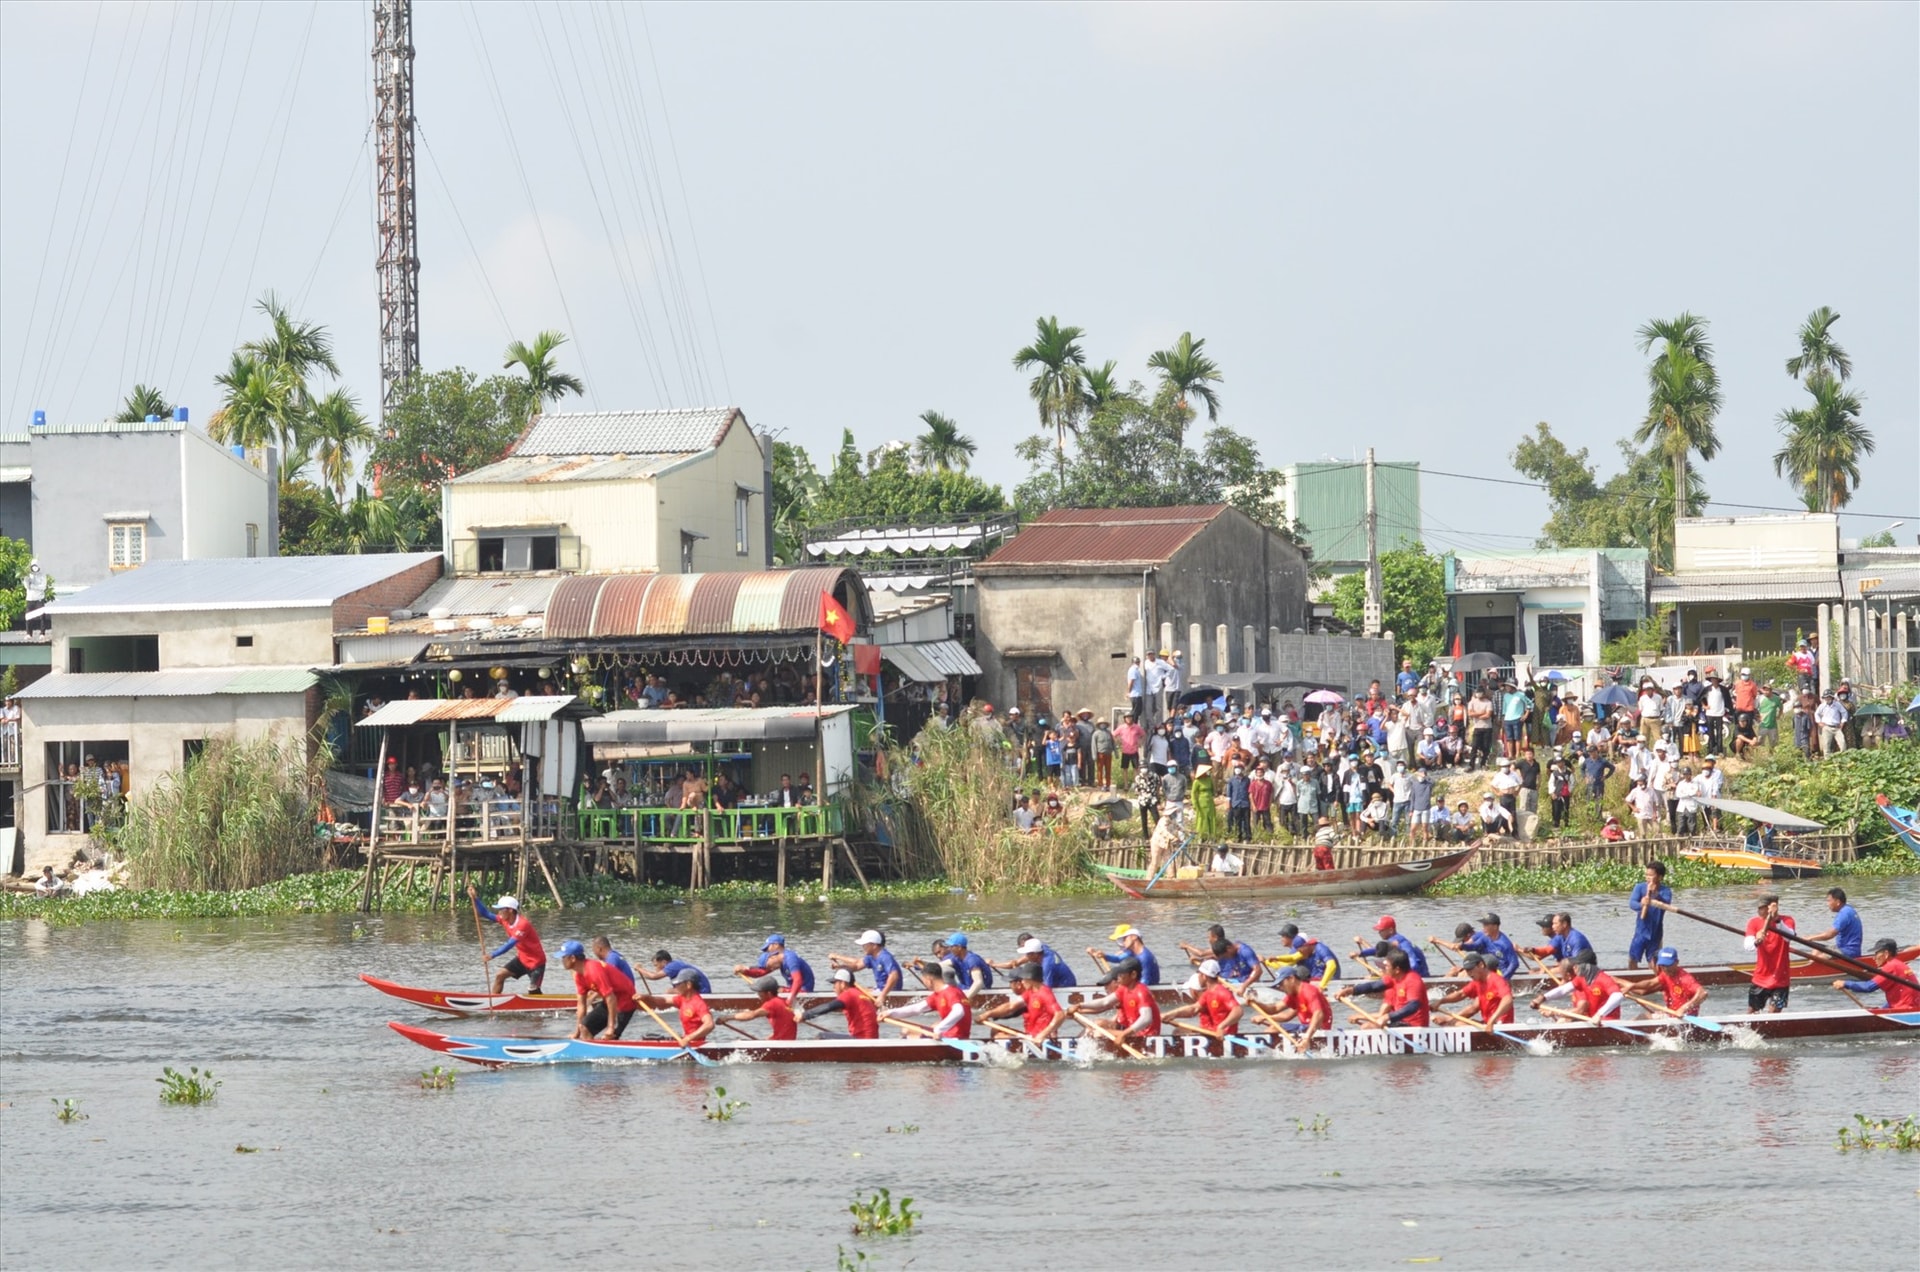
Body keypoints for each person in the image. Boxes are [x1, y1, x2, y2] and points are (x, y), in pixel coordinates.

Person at [469, 887, 546, 994]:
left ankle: (541, 1007)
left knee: (533, 989)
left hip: (536, 963)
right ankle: (494, 1001)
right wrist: (475, 898)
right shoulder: (504, 919)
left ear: (510, 910)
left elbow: (510, 944)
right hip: (522, 959)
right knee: (500, 975)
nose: (499, 912)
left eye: (501, 909)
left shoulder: (522, 925)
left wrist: (492, 955)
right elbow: (485, 913)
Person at [557, 939, 637, 1041]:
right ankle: (588, 1053)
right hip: (611, 1001)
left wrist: (610, 1027)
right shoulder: (578, 975)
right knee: (584, 1028)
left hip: (625, 1000)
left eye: (563, 957)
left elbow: (611, 998)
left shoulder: (593, 970)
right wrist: (576, 1034)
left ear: (572, 958)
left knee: (608, 1037)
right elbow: (581, 1005)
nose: (562, 961)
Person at [1336, 948, 1430, 1028]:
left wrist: (1387, 1017)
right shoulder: (1393, 978)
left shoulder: (1413, 980)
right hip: (1398, 1021)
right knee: (1367, 1026)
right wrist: (1351, 990)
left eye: (1387, 966)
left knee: (1367, 1027)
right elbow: (1374, 986)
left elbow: (1413, 1006)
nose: (1385, 969)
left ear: (1397, 969)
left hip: (1413, 1025)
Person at [976, 962, 1067, 1043]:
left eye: (1023, 979)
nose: (1022, 982)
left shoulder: (1044, 993)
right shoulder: (1030, 992)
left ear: (1031, 979)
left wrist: (1042, 1035)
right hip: (1030, 1036)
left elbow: (1060, 1015)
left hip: (1043, 1039)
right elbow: (1011, 1007)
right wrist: (987, 1014)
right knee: (995, 1030)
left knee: (1000, 1037)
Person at [1080, 956, 1161, 1046]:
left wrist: (1124, 1034)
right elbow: (1105, 1002)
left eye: (1121, 974)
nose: (1118, 978)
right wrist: (1079, 1006)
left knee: (1098, 1033)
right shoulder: (1123, 989)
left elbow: (1146, 1018)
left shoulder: (1142, 992)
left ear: (1133, 975)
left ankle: (1101, 1055)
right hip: (1131, 1031)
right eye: (1118, 975)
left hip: (1146, 1037)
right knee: (1097, 1025)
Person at [880, 961, 972, 1039]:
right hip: (943, 1034)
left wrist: (939, 1029)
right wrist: (889, 1013)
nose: (924, 983)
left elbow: (959, 1011)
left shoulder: (951, 992)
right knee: (906, 1029)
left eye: (923, 980)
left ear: (929, 980)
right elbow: (916, 1009)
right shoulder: (937, 995)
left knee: (907, 1031)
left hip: (954, 1037)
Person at [1832, 938, 1920, 1013]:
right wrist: (1882, 1009)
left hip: (1907, 1009)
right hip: (1912, 1007)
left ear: (1886, 954)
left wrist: (1845, 983)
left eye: (1876, 953)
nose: (1874, 958)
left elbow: (1868, 987)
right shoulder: (1899, 964)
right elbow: (1897, 996)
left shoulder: (1891, 966)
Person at [1742, 894, 1796, 1014]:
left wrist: (1776, 920)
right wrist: (1757, 941)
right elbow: (1748, 946)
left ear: (1770, 908)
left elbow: (1789, 937)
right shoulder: (1754, 923)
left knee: (1773, 1014)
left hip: (1781, 978)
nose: (1758, 911)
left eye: (1761, 908)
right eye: (1758, 908)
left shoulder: (1787, 921)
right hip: (1761, 977)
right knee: (1751, 1012)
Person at [1622, 948, 1709, 1020]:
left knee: (1642, 1017)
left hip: (1685, 1018)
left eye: (1668, 965)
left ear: (1677, 962)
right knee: (1642, 1016)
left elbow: (1703, 993)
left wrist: (1683, 1009)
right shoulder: (1665, 975)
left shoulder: (1685, 979)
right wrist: (1632, 986)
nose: (1666, 969)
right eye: (1663, 965)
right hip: (1671, 1014)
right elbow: (1650, 983)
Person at [1433, 953, 1515, 1029]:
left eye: (1471, 969)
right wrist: (1440, 1001)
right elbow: (1461, 994)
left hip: (1500, 1025)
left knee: (1455, 1024)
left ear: (1481, 965)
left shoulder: (1497, 980)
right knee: (1449, 1022)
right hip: (1488, 1024)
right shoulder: (1477, 982)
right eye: (1467, 970)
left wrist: (1493, 1019)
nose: (1469, 974)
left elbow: (1508, 999)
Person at [1163, 960, 1244, 1037]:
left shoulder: (1221, 992)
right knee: (1178, 1031)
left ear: (1204, 976)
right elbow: (1194, 1009)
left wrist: (1222, 1027)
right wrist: (1170, 1015)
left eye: (1199, 974)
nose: (1198, 976)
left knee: (1178, 1033)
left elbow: (1238, 1011)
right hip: (1210, 1033)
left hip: (1221, 1035)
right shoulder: (1208, 994)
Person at [1533, 955, 1625, 1022]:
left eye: (1577, 965)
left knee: (1563, 1021)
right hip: (1591, 1021)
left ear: (1588, 966)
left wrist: (1599, 1014)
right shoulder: (1581, 979)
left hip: (1606, 1022)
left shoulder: (1604, 979)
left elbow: (1618, 996)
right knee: (1563, 1020)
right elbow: (1563, 990)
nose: (1574, 967)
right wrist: (1542, 998)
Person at [1262, 966, 1333, 1050]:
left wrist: (1307, 1037)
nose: (1281, 988)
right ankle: (1279, 1050)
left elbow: (1318, 1014)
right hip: (1305, 1026)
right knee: (1270, 1030)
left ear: (1291, 978)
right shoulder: (1293, 994)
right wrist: (1256, 1003)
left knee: (1272, 1029)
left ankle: (1278, 1050)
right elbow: (1275, 1009)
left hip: (1319, 1028)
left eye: (1281, 984)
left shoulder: (1309, 991)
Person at [1432, 912, 1520, 979]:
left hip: (1499, 972)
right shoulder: (1486, 937)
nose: (1483, 927)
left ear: (1495, 927)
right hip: (1486, 968)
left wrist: (1504, 979)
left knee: (1465, 974)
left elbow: (1514, 963)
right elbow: (1474, 946)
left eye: (1486, 925)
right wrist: (1462, 946)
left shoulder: (1505, 943)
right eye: (1483, 925)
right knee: (1455, 970)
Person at [800, 968, 882, 1038]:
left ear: (843, 984)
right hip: (870, 1038)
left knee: (821, 1037)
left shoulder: (849, 994)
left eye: (835, 983)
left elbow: (830, 1007)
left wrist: (805, 1015)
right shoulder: (859, 994)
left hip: (862, 1040)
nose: (833, 988)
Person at [831, 929, 905, 1003]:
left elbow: (894, 976)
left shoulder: (885, 957)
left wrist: (882, 995)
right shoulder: (871, 957)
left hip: (891, 992)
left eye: (865, 944)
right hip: (880, 989)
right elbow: (856, 966)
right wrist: (840, 967)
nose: (863, 947)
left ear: (874, 945)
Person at [1626, 862, 1672, 969]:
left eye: (1651, 875)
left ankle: (1655, 981)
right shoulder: (1639, 887)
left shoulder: (1665, 891)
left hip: (1656, 933)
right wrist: (1643, 904)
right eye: (1647, 875)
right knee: (1632, 959)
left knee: (1653, 961)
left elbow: (1666, 904)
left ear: (1660, 877)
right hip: (1641, 931)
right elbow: (1632, 903)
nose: (1648, 878)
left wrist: (1654, 893)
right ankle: (1633, 979)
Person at [735, 933, 815, 994]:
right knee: (771, 988)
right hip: (794, 990)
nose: (767, 951)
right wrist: (744, 971)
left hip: (804, 991)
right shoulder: (779, 959)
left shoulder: (790, 958)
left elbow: (798, 980)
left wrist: (789, 1000)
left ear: (776, 945)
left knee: (774, 989)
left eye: (768, 947)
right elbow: (760, 973)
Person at [728, 975, 802, 1040]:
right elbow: (784, 1027)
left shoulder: (771, 1004)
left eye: (760, 992)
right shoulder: (782, 1001)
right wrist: (770, 1038)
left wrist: (728, 1018)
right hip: (788, 1040)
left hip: (782, 1044)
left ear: (769, 993)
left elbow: (751, 1015)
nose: (758, 995)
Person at [1355, 914, 1430, 976]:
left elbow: (1414, 965)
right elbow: (1378, 950)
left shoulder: (1403, 943)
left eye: (1381, 930)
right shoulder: (1390, 942)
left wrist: (1399, 976)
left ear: (1391, 930)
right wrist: (1360, 954)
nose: (1379, 933)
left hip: (1420, 977)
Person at [661, 966, 718, 1045]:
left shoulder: (699, 1004)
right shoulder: (682, 999)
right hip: (688, 1041)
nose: (675, 987)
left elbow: (709, 1024)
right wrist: (646, 998)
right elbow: (664, 1001)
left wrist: (688, 1038)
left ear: (688, 985)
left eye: (678, 984)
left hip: (696, 1044)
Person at [1273, 923, 1341, 988]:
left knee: (1299, 970)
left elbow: (1332, 966)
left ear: (1306, 946)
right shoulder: (1305, 951)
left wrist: (1322, 986)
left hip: (1330, 980)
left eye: (1300, 951)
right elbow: (1292, 958)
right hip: (1316, 979)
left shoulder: (1321, 949)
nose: (1300, 953)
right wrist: (1275, 958)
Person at [1088, 923, 1162, 983]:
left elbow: (1145, 981)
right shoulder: (1132, 953)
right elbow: (1118, 959)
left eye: (1125, 939)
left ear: (1134, 937)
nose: (1123, 942)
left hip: (1151, 989)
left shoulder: (1145, 957)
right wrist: (1104, 956)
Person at [1801, 888, 1863, 958]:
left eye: (1829, 901)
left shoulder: (1844, 913)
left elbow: (1830, 934)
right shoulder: (1848, 909)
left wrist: (1810, 938)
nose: (1828, 904)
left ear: (1838, 902)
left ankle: (1810, 968)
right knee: (1816, 950)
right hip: (1843, 948)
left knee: (1820, 957)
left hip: (1849, 951)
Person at [942, 932, 995, 998]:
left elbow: (978, 982)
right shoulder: (956, 958)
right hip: (965, 988)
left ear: (959, 947)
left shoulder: (972, 960)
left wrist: (965, 999)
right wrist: (925, 965)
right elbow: (938, 966)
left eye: (951, 947)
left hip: (980, 992)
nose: (949, 949)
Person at [640, 949, 711, 994]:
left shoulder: (672, 966)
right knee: (673, 990)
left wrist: (639, 968)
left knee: (669, 991)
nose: (655, 968)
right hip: (697, 990)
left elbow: (654, 977)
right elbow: (653, 975)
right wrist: (641, 970)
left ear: (664, 962)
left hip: (702, 991)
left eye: (656, 965)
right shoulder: (673, 964)